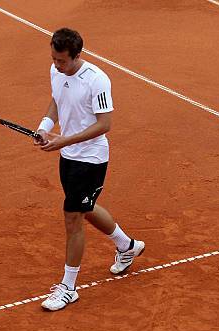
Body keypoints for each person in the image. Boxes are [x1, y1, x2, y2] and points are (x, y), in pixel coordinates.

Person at [33, 28, 145, 311]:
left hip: (91, 159)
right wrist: (45, 128)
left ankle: (69, 288)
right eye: (54, 59)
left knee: (73, 218)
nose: (57, 65)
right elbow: (57, 101)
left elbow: (104, 124)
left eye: (62, 61)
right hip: (68, 155)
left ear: (77, 56)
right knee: (85, 207)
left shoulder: (97, 80)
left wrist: (64, 140)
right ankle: (127, 246)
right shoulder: (56, 71)